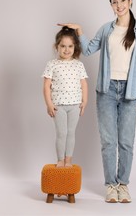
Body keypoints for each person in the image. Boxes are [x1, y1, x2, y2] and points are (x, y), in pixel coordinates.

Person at [58, 0, 136, 203]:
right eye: (114, 2)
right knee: (109, 141)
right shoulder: (106, 30)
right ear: (111, 5)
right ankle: (111, 186)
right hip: (106, 90)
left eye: (122, 1)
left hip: (129, 90)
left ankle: (123, 185)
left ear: (130, 1)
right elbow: (89, 50)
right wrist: (79, 31)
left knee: (126, 141)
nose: (118, 6)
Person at [42, 26, 88, 168]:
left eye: (70, 46)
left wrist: (84, 102)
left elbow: (84, 84)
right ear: (57, 47)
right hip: (59, 106)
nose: (66, 50)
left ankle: (68, 160)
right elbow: (46, 86)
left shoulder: (78, 65)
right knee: (61, 133)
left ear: (75, 47)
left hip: (75, 105)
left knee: (71, 133)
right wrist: (49, 104)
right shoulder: (52, 64)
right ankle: (60, 159)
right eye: (63, 46)